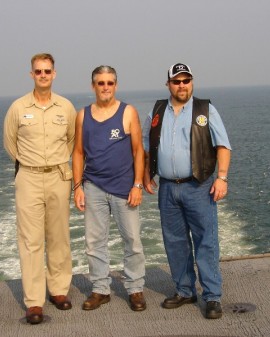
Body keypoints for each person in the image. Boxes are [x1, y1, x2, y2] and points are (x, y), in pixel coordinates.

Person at [142, 63, 231, 319]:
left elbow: (223, 146)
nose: (182, 85)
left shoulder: (206, 110)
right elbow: (147, 145)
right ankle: (184, 290)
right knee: (175, 242)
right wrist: (147, 175)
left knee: (206, 242)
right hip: (168, 189)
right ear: (168, 84)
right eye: (177, 81)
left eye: (186, 80)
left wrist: (222, 178)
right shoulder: (157, 110)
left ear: (192, 82)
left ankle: (212, 296)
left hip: (199, 187)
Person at [3, 53, 76, 324]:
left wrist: (55, 165)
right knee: (30, 241)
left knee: (59, 236)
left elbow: (71, 141)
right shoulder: (18, 108)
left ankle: (58, 290)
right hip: (29, 178)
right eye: (38, 71)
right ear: (31, 74)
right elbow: (11, 144)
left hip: (59, 175)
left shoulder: (65, 107)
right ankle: (34, 302)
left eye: (47, 71)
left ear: (54, 74)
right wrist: (31, 165)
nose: (43, 75)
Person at [72, 65, 146, 312]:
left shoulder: (128, 112)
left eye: (110, 83)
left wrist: (137, 185)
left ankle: (135, 289)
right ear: (93, 86)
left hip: (124, 188)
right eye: (100, 83)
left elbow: (138, 151)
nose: (105, 87)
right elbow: (78, 153)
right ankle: (100, 290)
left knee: (133, 240)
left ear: (116, 85)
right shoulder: (83, 115)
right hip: (93, 186)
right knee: (94, 243)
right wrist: (77, 187)